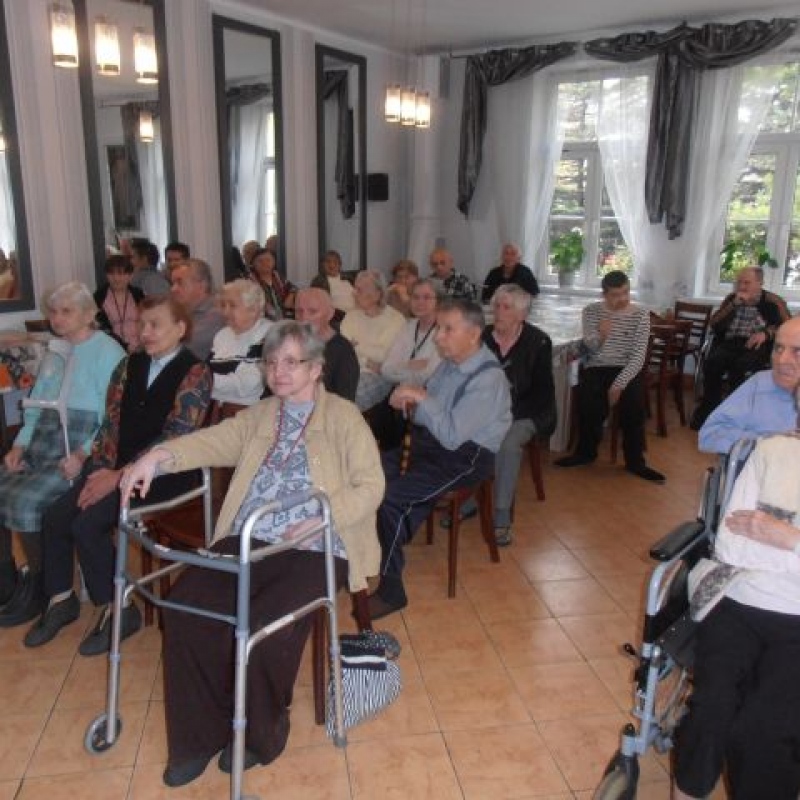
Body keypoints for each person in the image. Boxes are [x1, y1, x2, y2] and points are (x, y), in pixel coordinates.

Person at [119, 321, 384, 787]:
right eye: (272, 362)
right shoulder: (261, 415)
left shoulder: (344, 418)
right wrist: (157, 458)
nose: (279, 372)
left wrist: (325, 516)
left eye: (292, 362)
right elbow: (210, 441)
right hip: (249, 538)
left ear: (316, 369)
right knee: (186, 609)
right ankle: (196, 738)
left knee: (264, 626)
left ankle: (261, 735)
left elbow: (371, 485)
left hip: (316, 544)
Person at [24, 295, 212, 653]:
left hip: (164, 474)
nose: (145, 331)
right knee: (56, 517)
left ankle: (120, 609)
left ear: (180, 328)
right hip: (115, 468)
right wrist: (100, 470)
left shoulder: (195, 372)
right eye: (142, 324)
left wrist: (119, 477)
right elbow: (110, 423)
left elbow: (176, 436)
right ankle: (61, 599)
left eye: (155, 324)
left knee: (87, 525)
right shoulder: (129, 364)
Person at [672, 421, 800, 800]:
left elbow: (755, 541)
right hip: (738, 601)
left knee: (765, 731)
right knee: (709, 712)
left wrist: (787, 538)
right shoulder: (770, 451)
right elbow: (729, 545)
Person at [368, 298, 512, 620]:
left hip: (467, 456)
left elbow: (451, 435)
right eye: (439, 328)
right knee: (367, 477)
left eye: (448, 329)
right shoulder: (449, 363)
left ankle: (392, 590)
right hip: (432, 444)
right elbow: (426, 417)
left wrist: (420, 397)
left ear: (473, 334)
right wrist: (408, 401)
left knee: (391, 498)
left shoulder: (487, 379)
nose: (438, 336)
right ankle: (369, 551)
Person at [0, 282, 125, 627]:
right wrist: (19, 444)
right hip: (44, 440)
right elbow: (36, 405)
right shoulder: (56, 351)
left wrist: (84, 455)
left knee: (27, 502)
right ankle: (8, 580)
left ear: (89, 313)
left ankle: (44, 587)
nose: (57, 318)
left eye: (66, 311)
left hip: (78, 445)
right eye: (53, 311)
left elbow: (111, 418)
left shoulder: (108, 352)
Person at [555, 270, 665, 483]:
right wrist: (602, 335)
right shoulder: (591, 311)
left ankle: (635, 462)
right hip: (597, 365)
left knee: (634, 405)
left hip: (626, 367)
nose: (622, 299)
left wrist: (619, 384)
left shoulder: (641, 315)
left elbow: (638, 357)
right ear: (604, 295)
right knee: (589, 401)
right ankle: (585, 453)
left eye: (626, 292)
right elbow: (589, 349)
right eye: (615, 295)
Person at [481, 285, 555, 545]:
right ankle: (473, 495)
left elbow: (541, 394)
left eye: (506, 307)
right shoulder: (483, 337)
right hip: (489, 411)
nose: (498, 312)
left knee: (508, 443)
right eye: (496, 306)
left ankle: (501, 513)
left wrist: (505, 415)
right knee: (466, 432)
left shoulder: (539, 342)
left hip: (530, 412)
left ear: (522, 314)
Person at [691, 266, 791, 429]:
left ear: (759, 283)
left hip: (757, 346)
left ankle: (738, 415)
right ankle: (710, 411)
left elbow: (788, 327)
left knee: (741, 368)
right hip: (730, 343)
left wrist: (766, 333)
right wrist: (733, 305)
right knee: (712, 364)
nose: (742, 286)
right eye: (739, 282)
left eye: (747, 282)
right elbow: (714, 323)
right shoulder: (732, 299)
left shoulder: (773, 301)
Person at [699, 317, 800, 454]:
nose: (782, 360)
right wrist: (768, 444)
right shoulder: (760, 383)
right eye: (779, 348)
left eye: (797, 351)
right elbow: (709, 435)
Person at [341, 269, 406, 411]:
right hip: (350, 370)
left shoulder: (395, 319)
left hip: (378, 376)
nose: (354, 293)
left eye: (359, 290)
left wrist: (356, 347)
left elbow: (383, 356)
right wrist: (367, 360)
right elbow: (344, 351)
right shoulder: (350, 316)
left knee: (347, 400)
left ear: (377, 295)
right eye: (355, 288)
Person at [209, 279, 271, 408]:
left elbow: (249, 385)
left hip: (251, 411)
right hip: (216, 409)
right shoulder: (222, 335)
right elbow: (208, 370)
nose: (225, 312)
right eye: (223, 305)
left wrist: (207, 382)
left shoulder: (268, 335)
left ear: (253, 309)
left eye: (232, 306)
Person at [294, 287, 359, 401]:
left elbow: (344, 402)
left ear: (330, 314)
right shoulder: (288, 343)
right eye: (299, 311)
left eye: (312, 311)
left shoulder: (343, 351)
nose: (304, 318)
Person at [381, 278, 441, 387]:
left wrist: (399, 367)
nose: (420, 302)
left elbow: (430, 377)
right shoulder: (407, 327)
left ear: (438, 301)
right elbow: (385, 370)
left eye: (427, 297)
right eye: (415, 297)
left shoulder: (444, 331)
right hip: (402, 392)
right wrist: (409, 365)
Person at [169, 258, 225, 360]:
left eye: (180, 283)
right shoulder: (179, 312)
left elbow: (181, 346)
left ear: (202, 285)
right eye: (172, 283)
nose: (173, 289)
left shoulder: (217, 313)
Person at [93, 253, 143, 352]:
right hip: (111, 348)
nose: (116, 278)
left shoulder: (139, 294)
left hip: (140, 348)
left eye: (121, 273)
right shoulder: (98, 297)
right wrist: (125, 346)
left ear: (130, 275)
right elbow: (100, 328)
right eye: (111, 273)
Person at [250, 247, 295, 320]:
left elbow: (293, 288)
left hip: (285, 318)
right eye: (260, 261)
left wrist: (291, 295)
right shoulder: (249, 282)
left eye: (268, 260)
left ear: (274, 262)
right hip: (262, 320)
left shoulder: (278, 277)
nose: (265, 263)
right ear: (253, 264)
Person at [310, 250, 354, 320]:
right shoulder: (318, 282)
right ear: (322, 264)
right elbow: (319, 306)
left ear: (340, 265)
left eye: (335, 262)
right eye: (328, 262)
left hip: (357, 314)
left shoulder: (349, 278)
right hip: (338, 317)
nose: (332, 265)